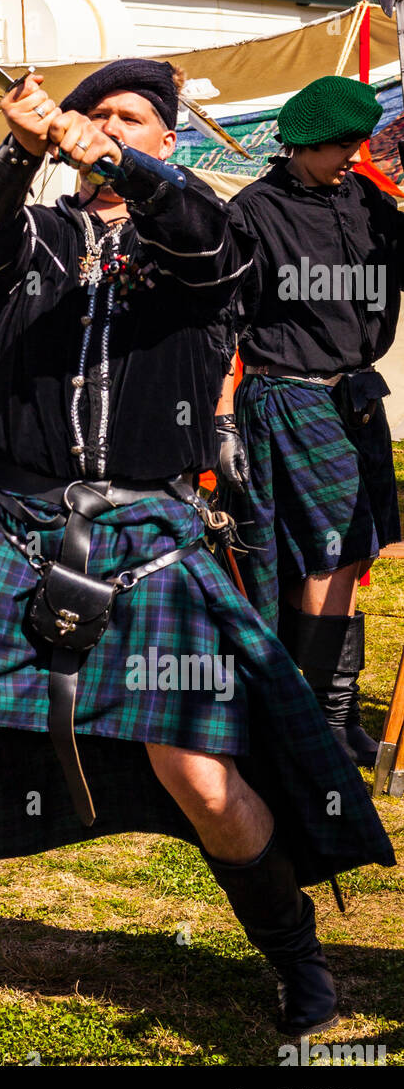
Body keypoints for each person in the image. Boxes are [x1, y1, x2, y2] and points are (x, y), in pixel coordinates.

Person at [0, 59, 394, 1066]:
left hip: (150, 533)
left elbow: (204, 248)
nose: (103, 130)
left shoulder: (212, 238)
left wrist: (121, 158)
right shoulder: (34, 234)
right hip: (8, 522)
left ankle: (299, 963)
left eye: (129, 121)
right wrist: (16, 150)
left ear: (166, 142)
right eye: (92, 116)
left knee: (199, 773)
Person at [221, 76, 403, 767]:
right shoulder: (252, 212)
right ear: (300, 143)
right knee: (320, 555)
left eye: (358, 144)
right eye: (339, 147)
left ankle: (331, 712)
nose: (351, 156)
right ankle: (316, 722)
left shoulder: (365, 201)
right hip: (288, 396)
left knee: (350, 556)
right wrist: (218, 422)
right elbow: (220, 325)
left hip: (354, 397)